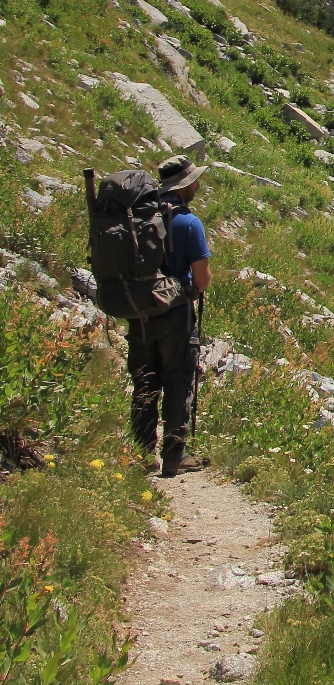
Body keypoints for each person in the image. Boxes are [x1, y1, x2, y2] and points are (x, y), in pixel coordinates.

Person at [127, 155, 212, 477]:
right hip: (176, 312)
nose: (198, 185)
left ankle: (142, 451)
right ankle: (175, 453)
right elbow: (202, 280)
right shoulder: (189, 223)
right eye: (195, 181)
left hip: (138, 311)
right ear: (185, 185)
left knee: (145, 379)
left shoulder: (138, 216)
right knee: (178, 379)